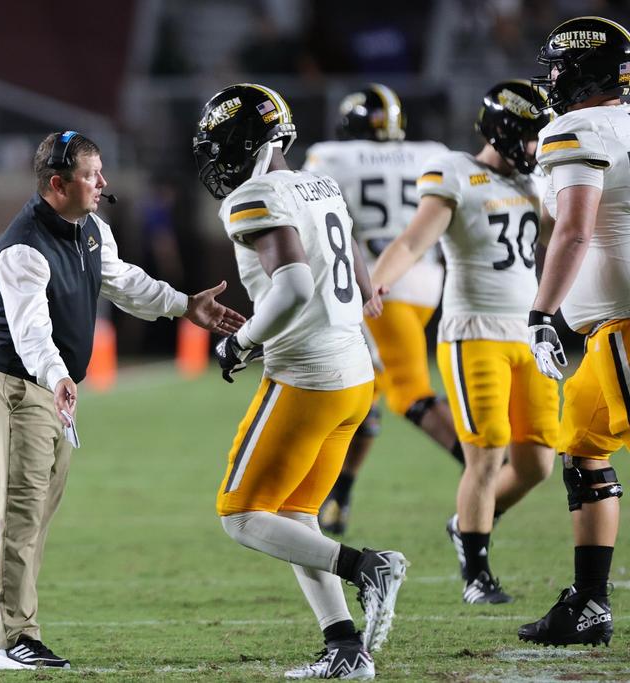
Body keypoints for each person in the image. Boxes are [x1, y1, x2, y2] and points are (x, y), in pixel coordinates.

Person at [0, 130, 245, 671]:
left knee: (39, 511)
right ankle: (14, 639)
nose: (103, 183)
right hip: (18, 387)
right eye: (91, 175)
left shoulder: (92, 228)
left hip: (55, 388)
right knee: (22, 512)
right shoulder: (23, 247)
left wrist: (184, 305)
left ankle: (3, 603)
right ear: (57, 184)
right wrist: (58, 375)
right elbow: (31, 333)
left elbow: (124, 283)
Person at [197, 83, 408, 680]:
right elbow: (359, 274)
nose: (216, 158)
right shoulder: (320, 183)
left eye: (220, 144)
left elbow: (291, 286)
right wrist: (362, 298)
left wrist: (240, 341)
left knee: (239, 513)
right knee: (295, 515)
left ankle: (368, 565)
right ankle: (346, 648)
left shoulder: (255, 194)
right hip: (353, 374)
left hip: (307, 374)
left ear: (242, 142)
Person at [368, 80, 558, 604]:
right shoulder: (456, 171)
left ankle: (466, 524)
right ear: (502, 131)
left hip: (527, 333)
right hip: (474, 332)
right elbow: (412, 239)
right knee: (487, 453)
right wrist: (377, 282)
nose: (535, 149)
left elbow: (557, 233)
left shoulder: (531, 183)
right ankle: (476, 571)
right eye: (529, 137)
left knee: (538, 463)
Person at [518, 15, 630, 648]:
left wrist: (541, 313)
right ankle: (590, 602)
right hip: (610, 322)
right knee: (584, 450)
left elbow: (576, 229)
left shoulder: (576, 128)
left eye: (561, 67)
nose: (553, 78)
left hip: (624, 320)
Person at [303, 84, 455, 535]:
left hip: (374, 283)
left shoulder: (330, 157)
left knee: (404, 389)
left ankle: (487, 466)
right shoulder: (432, 152)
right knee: (362, 394)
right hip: (428, 279)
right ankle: (338, 498)